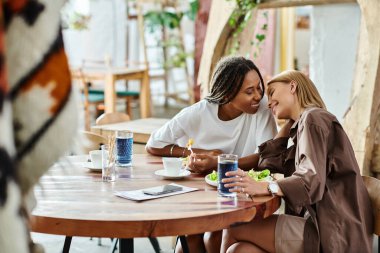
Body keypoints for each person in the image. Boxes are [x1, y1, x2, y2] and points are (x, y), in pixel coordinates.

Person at [220, 70, 373, 253]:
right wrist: (288, 125)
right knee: (239, 250)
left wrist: (266, 187)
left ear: (293, 86)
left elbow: (310, 182)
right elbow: (267, 164)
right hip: (323, 225)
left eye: (272, 93)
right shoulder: (304, 124)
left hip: (330, 232)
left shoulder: (313, 119)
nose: (268, 103)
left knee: (233, 228)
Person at [146, 55, 278, 253]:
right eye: (249, 91)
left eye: (259, 87)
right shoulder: (200, 112)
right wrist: (196, 152)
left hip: (239, 193)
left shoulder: (261, 109)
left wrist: (219, 163)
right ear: (226, 95)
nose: (258, 96)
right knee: (187, 245)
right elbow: (154, 144)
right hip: (199, 194)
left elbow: (265, 157)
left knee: (214, 236)